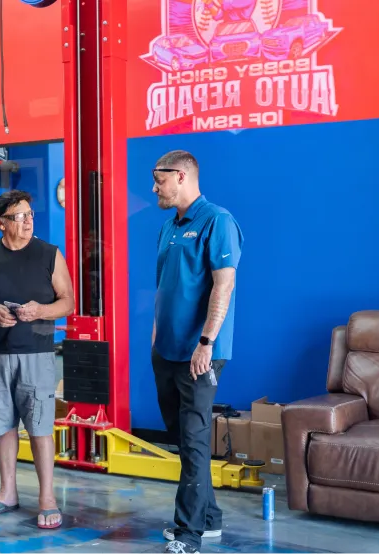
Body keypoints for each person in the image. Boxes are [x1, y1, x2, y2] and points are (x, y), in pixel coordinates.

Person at [0, 189, 74, 530]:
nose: (27, 222)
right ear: (0, 223)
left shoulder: (49, 255)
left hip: (37, 354)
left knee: (40, 427)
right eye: (19, 217)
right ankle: (7, 492)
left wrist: (41, 310)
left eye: (29, 215)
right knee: (3, 425)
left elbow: (67, 301)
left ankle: (47, 498)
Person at [150, 150, 244, 554]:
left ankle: (188, 535)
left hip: (199, 352)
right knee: (183, 438)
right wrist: (156, 337)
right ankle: (209, 519)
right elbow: (163, 288)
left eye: (160, 180)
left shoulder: (217, 221)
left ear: (182, 176)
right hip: (166, 351)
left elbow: (224, 285)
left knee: (193, 438)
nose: (155, 188)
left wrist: (206, 342)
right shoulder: (169, 227)